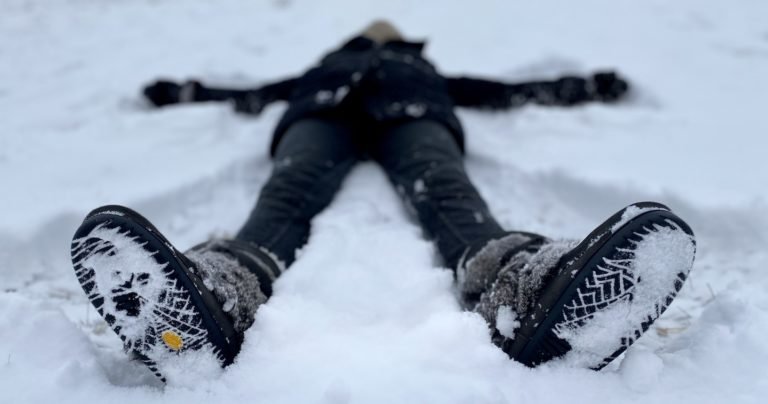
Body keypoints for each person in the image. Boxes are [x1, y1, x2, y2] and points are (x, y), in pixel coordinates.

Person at [70, 21, 696, 382]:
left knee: (442, 182)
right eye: (372, 29)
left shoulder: (417, 68)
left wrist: (577, 87)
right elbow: (254, 92)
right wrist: (187, 90)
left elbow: (500, 90)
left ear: (403, 41)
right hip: (322, 118)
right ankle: (217, 293)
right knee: (289, 187)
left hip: (412, 115)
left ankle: (522, 288)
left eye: (388, 29)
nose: (380, 30)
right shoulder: (323, 69)